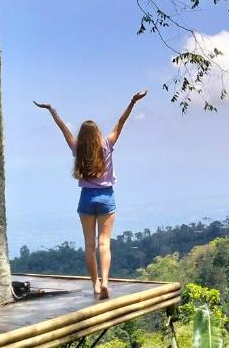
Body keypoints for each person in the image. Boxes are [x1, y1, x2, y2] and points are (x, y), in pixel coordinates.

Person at [34, 90, 147, 299]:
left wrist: (52, 111)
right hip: (106, 197)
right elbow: (121, 122)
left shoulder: (77, 148)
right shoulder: (107, 145)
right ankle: (105, 282)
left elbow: (64, 130)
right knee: (104, 243)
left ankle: (95, 285)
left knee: (89, 245)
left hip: (86, 198)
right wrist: (132, 101)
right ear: (97, 134)